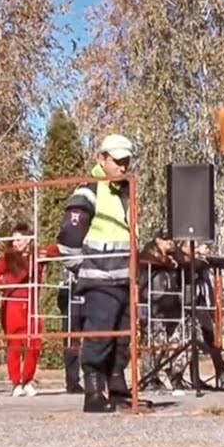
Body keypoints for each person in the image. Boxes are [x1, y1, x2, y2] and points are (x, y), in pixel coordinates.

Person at [56, 134, 136, 413]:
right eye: (117, 161)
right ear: (101, 159)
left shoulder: (124, 191)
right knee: (99, 334)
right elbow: (67, 237)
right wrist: (86, 269)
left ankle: (117, 387)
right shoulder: (88, 191)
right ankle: (92, 392)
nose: (123, 167)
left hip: (123, 278)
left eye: (126, 161)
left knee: (122, 336)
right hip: (99, 280)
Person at [0, 221, 57, 397]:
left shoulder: (36, 257)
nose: (15, 243)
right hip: (13, 305)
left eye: (19, 239)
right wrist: (6, 287)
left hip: (32, 305)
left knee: (34, 343)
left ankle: (27, 380)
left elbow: (55, 250)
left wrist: (46, 250)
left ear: (28, 239)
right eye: (13, 240)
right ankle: (16, 382)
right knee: (15, 345)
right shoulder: (8, 258)